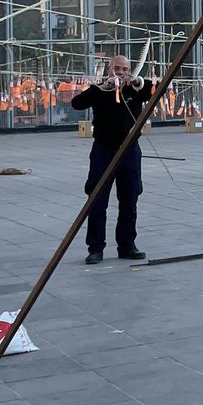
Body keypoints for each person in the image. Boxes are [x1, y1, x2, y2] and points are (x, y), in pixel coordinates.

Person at [70, 55, 153, 264]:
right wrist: (102, 87)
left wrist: (136, 81)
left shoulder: (135, 89)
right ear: (109, 69)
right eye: (117, 68)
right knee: (97, 198)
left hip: (129, 150)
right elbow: (77, 103)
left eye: (125, 69)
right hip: (104, 149)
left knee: (129, 198)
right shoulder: (100, 90)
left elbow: (151, 90)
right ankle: (95, 248)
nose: (120, 73)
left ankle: (127, 245)